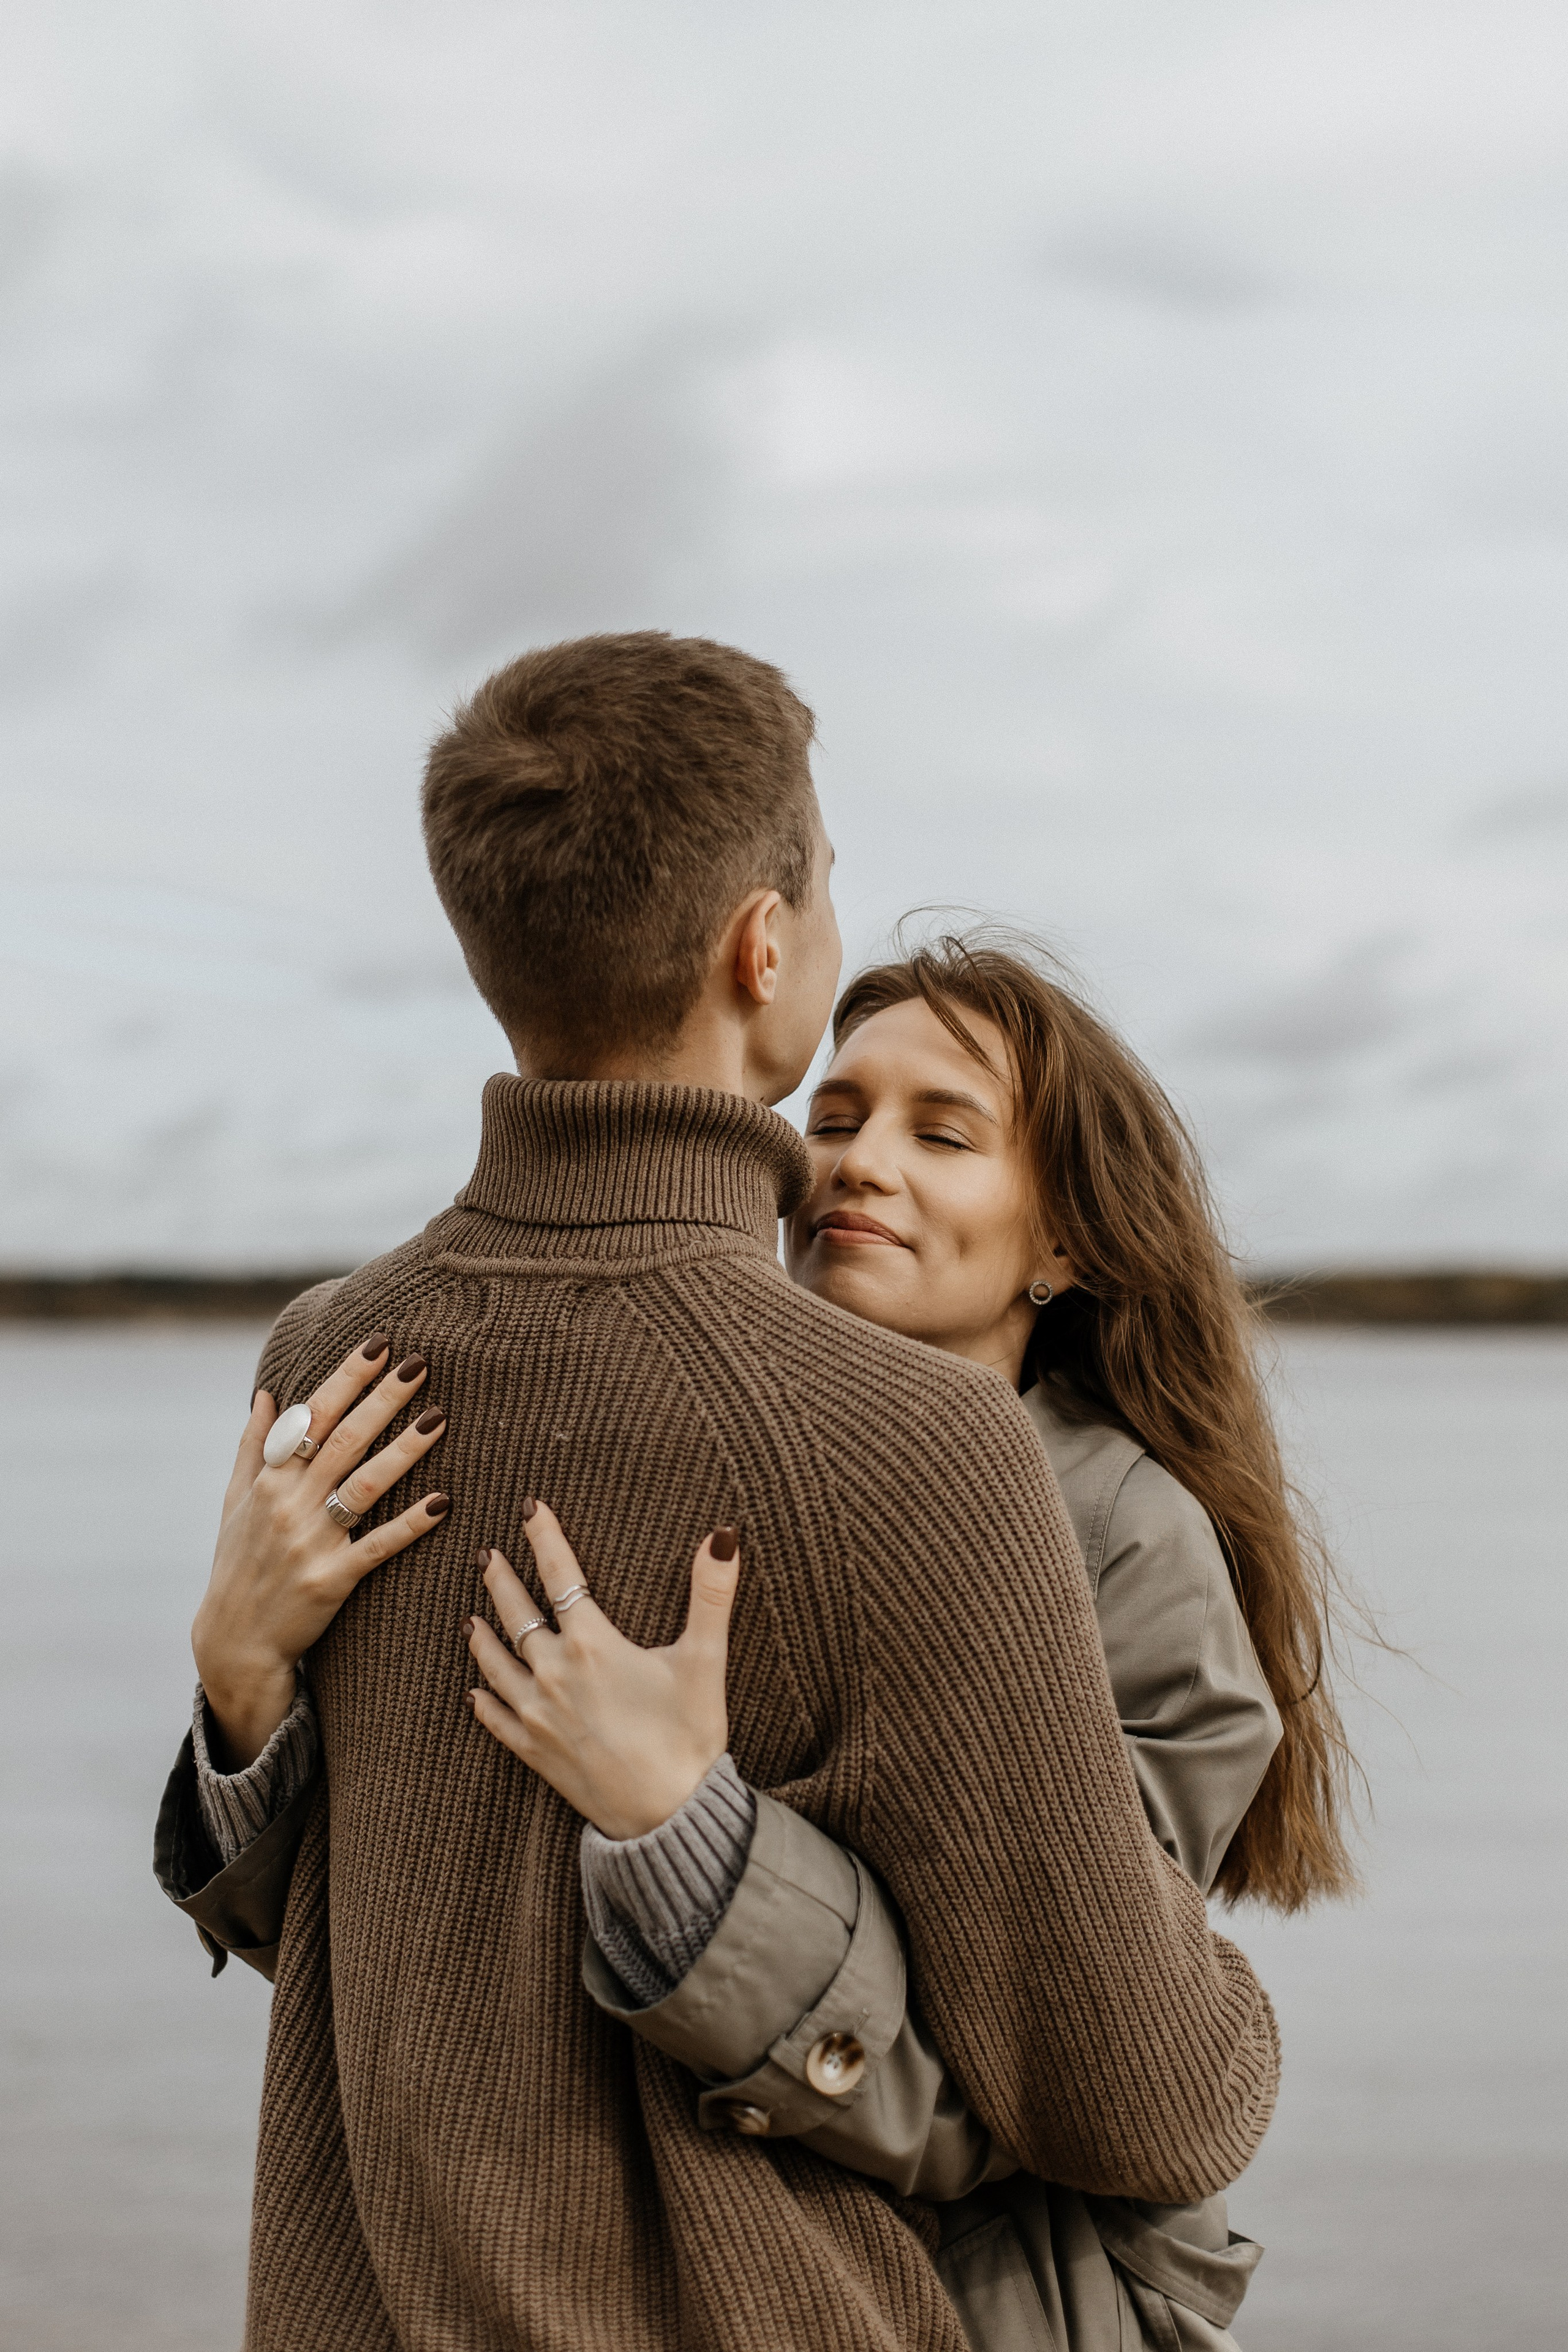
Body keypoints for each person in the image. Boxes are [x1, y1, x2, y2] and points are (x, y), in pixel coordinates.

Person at [157, 632, 1281, 2352]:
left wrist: (697, 1843)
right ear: (768, 945)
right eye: (824, 886)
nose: (863, 1164)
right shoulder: (920, 1455)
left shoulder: (332, 1356)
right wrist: (239, 1693)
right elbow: (1147, 2099)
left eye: (948, 1130)